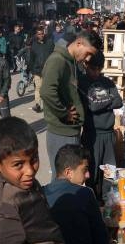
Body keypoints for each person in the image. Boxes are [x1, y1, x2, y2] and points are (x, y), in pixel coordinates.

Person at [43, 144, 110, 244]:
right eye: (84, 170)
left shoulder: (41, 193)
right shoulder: (85, 194)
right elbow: (101, 239)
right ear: (68, 172)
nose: (88, 175)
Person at [40, 31, 98, 176]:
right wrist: (63, 113)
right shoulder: (57, 60)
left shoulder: (70, 61)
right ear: (79, 44)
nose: (88, 58)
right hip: (61, 131)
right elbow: (46, 91)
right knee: (63, 177)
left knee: (71, 177)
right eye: (88, 53)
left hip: (70, 130)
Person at [80, 53, 123, 190]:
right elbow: (92, 105)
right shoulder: (82, 82)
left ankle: (107, 197)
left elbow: (119, 101)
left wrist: (100, 101)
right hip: (92, 134)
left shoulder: (107, 82)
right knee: (92, 172)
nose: (96, 72)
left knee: (109, 171)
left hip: (109, 133)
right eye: (93, 69)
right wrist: (109, 99)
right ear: (86, 65)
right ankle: (93, 198)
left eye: (99, 69)